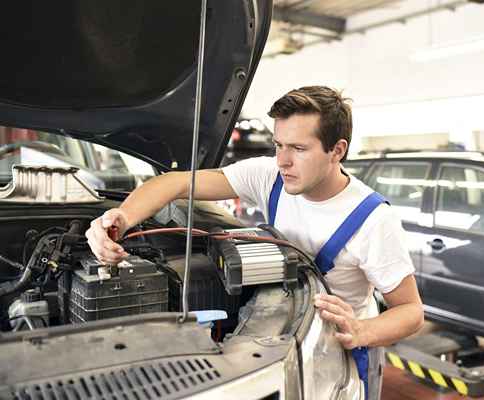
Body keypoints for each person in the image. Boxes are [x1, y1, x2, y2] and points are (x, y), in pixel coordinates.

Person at [86, 86, 424, 399]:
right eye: (278, 145)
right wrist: (121, 218)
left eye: (299, 149)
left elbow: (411, 312)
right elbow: (174, 183)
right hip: (277, 330)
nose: (282, 160)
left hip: (339, 351)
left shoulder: (373, 220)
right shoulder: (270, 176)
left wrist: (362, 330)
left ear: (337, 150)